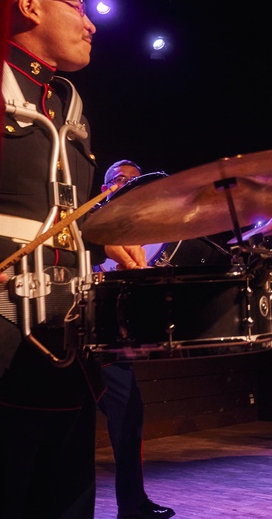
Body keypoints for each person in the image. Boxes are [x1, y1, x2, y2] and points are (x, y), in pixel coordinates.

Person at [0, 0, 143, 518]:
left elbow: (55, 209)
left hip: (67, 342)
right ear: (29, 6)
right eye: (77, 6)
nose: (91, 23)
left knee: (67, 502)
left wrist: (104, 237)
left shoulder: (68, 99)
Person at [94, 159, 177, 519]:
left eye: (136, 180)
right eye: (122, 179)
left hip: (110, 339)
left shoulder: (146, 230)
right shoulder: (88, 224)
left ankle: (132, 504)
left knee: (129, 417)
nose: (130, 184)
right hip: (77, 333)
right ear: (105, 187)